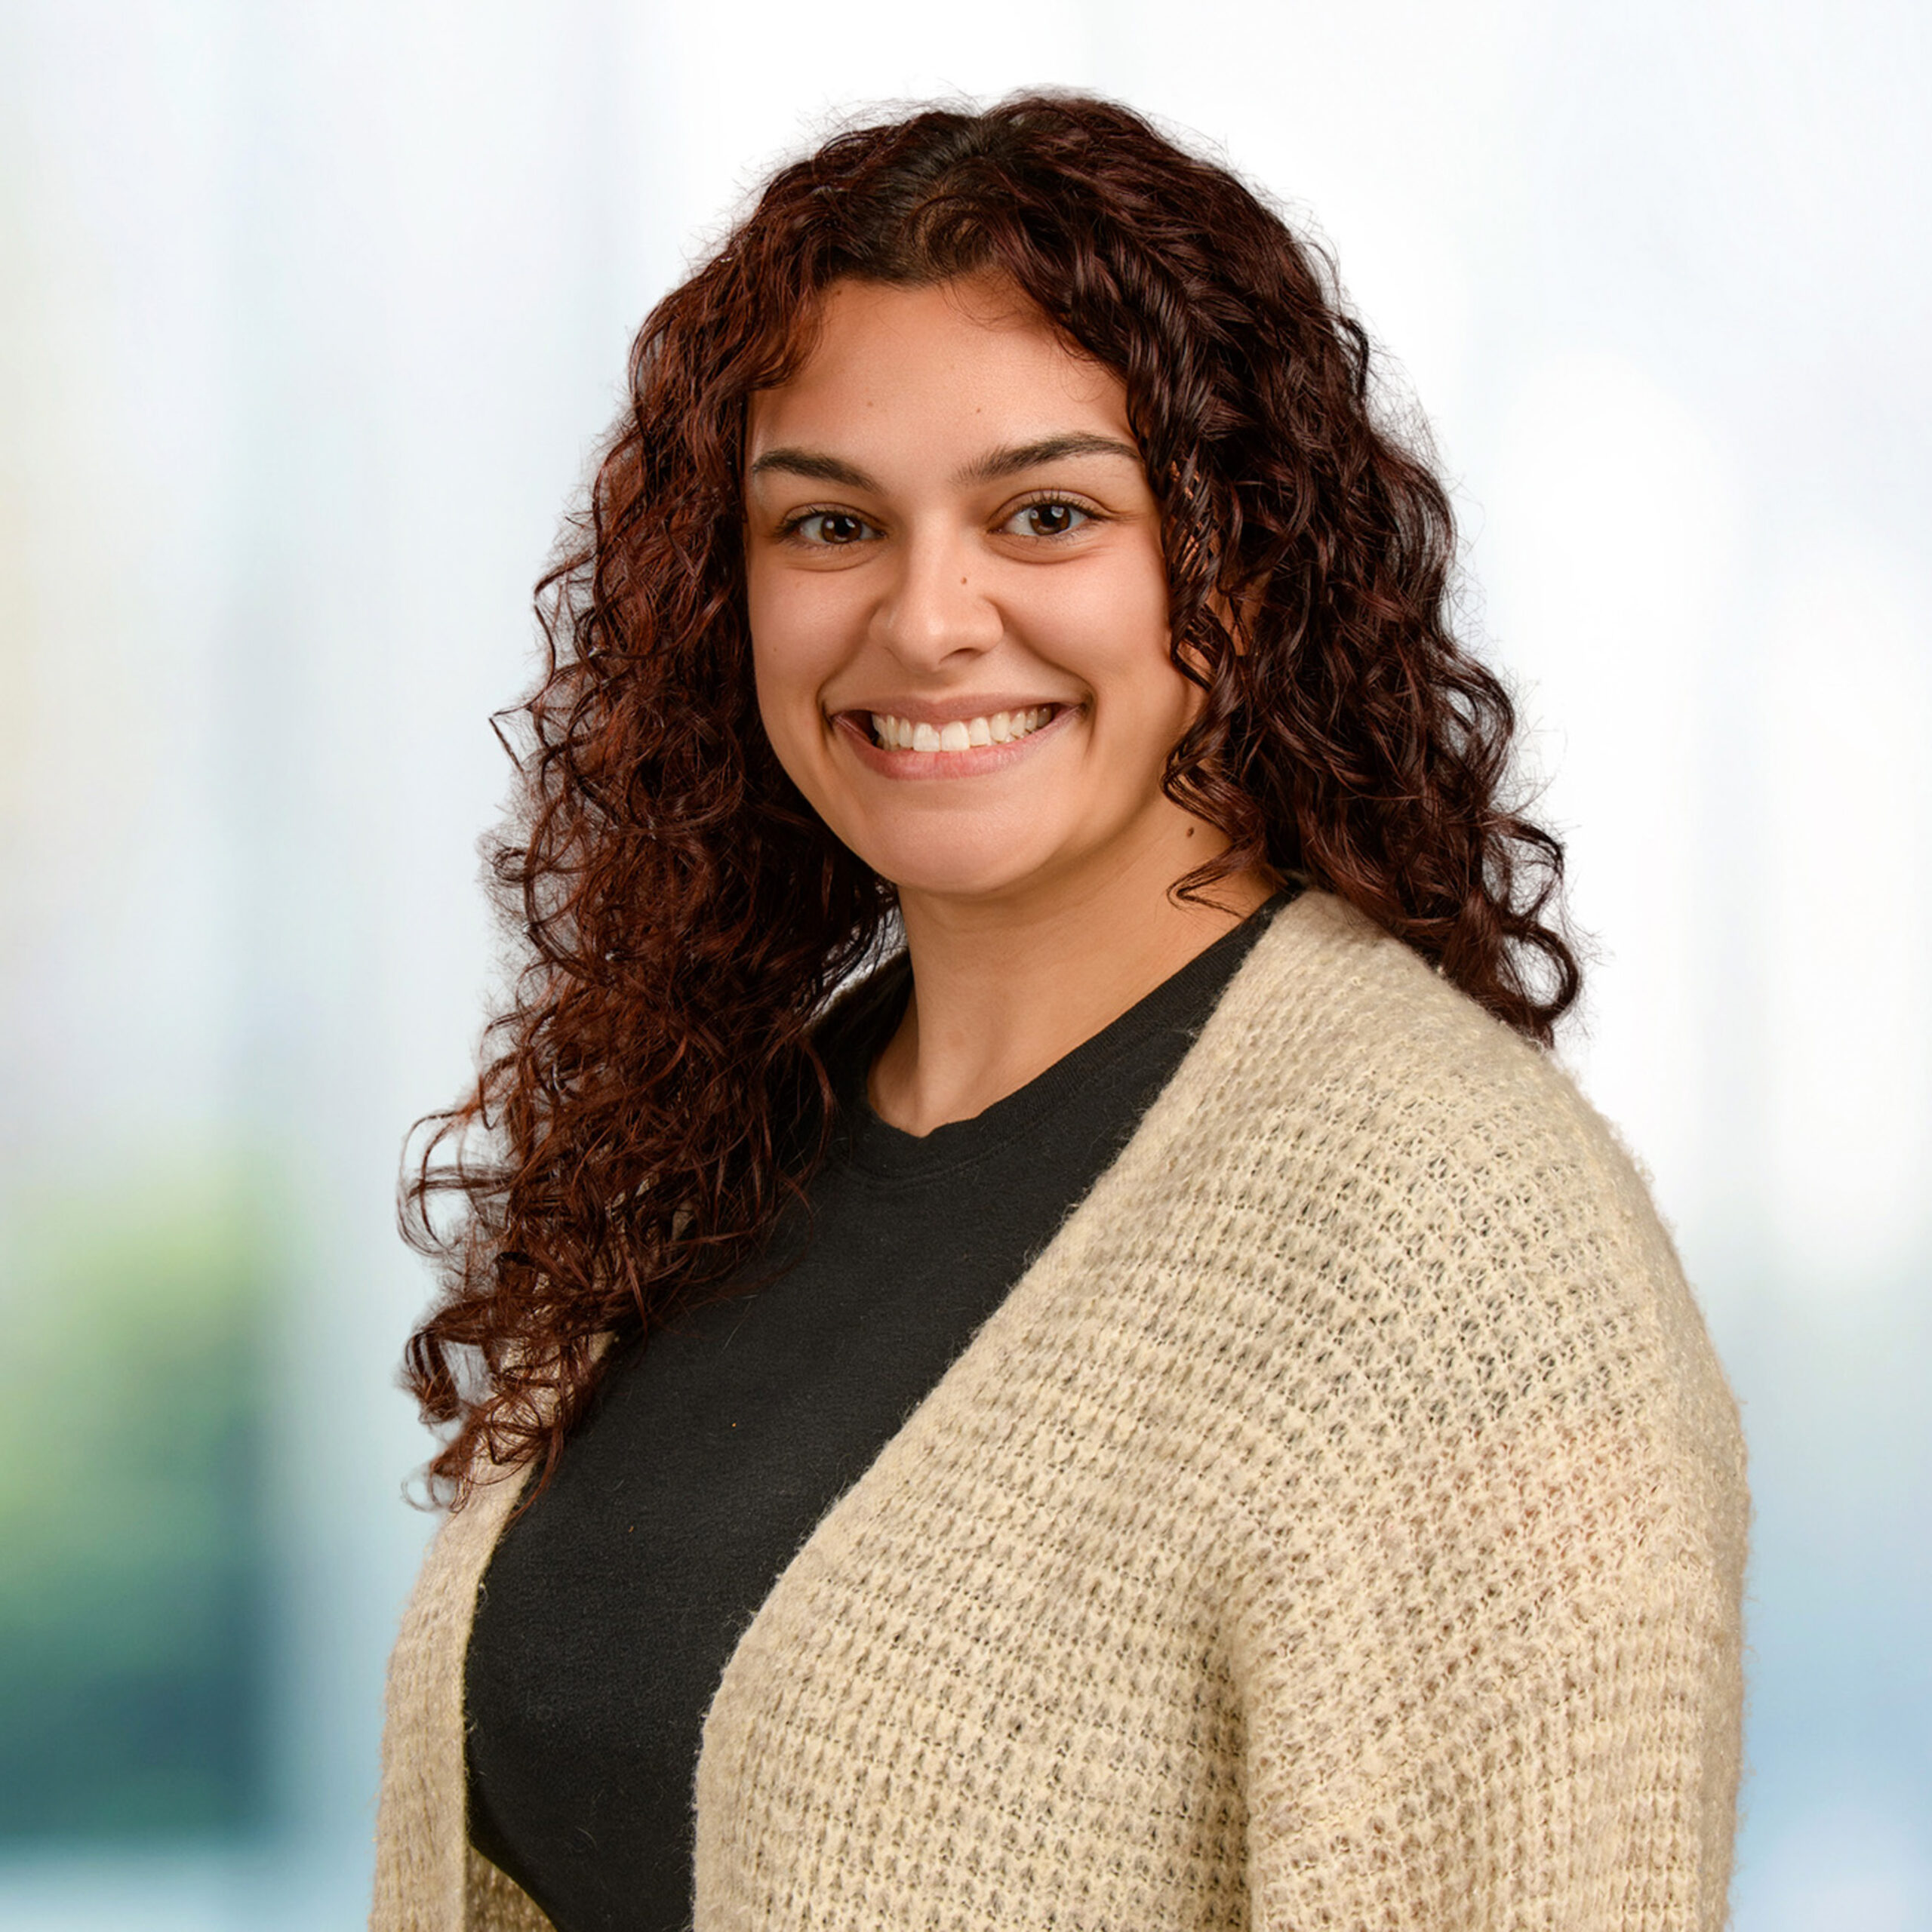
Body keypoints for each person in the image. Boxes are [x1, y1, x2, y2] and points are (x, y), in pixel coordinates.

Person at [371, 93, 1748, 1932]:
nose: (927, 618)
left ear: (1242, 564)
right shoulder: (716, 1158)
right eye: (829, 523)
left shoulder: (1456, 1251)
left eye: (1046, 512)